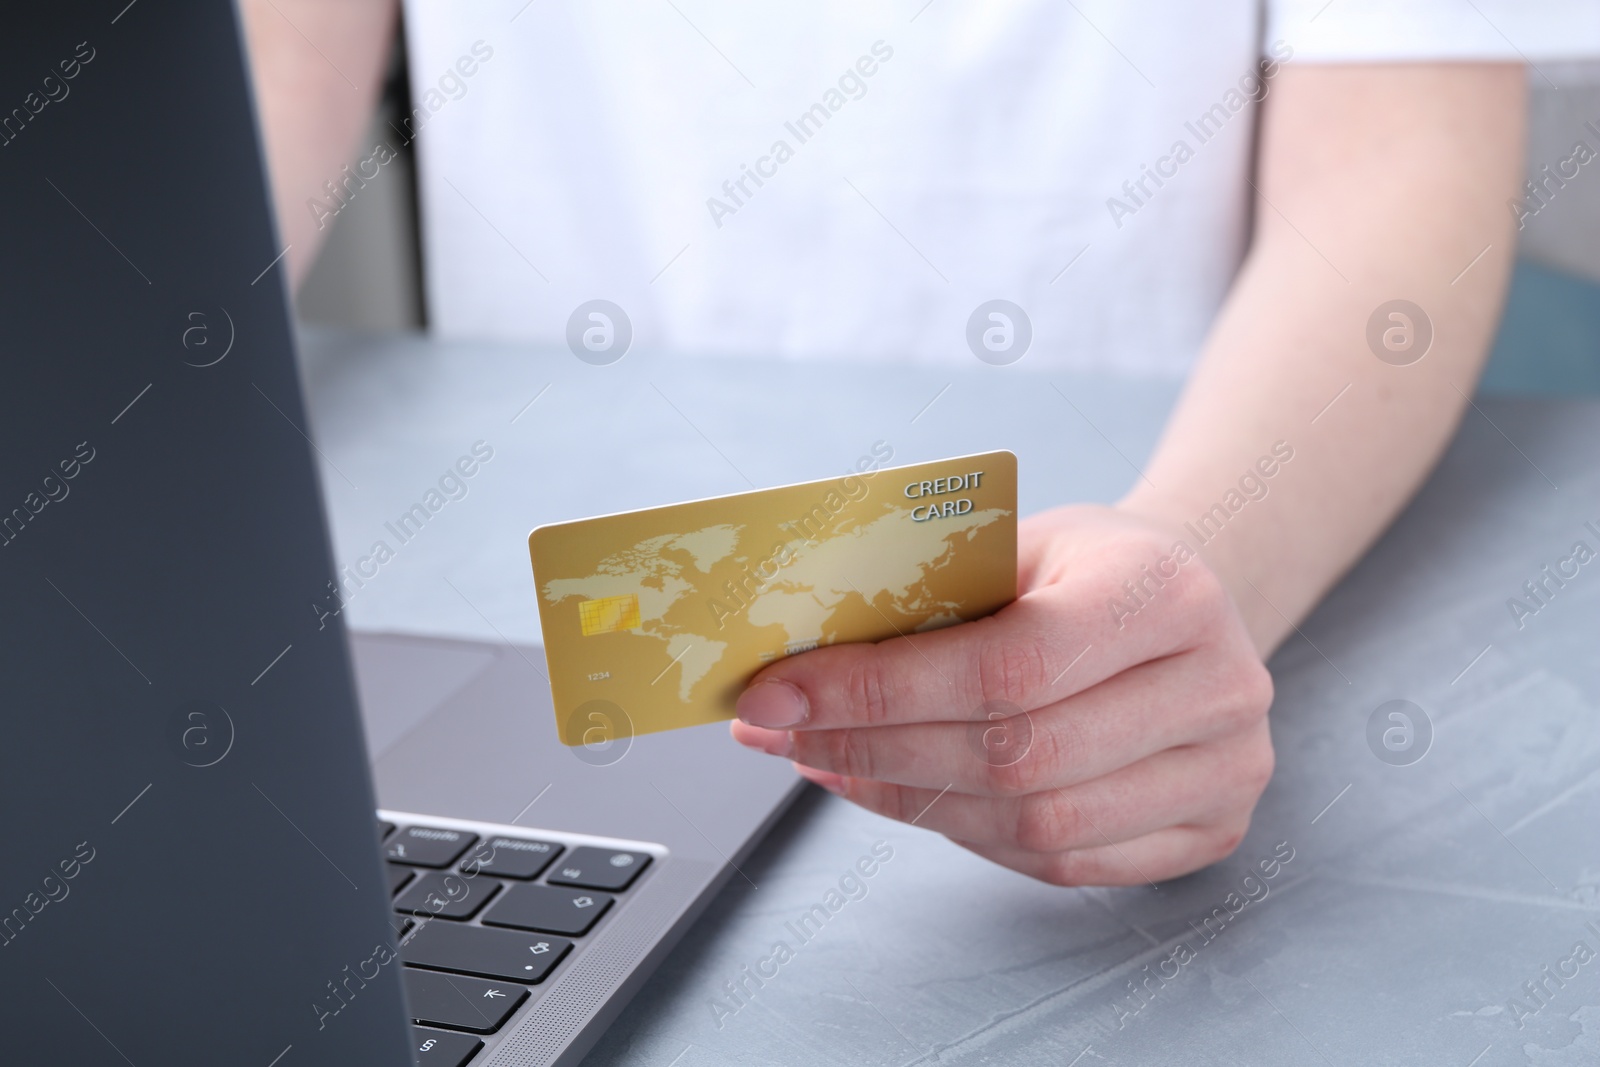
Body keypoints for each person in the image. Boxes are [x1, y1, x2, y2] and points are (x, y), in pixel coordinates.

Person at [243, 1, 1598, 885]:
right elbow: (271, 51)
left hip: (1135, 546)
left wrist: (1197, 561)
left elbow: (1398, 147)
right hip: (522, 594)